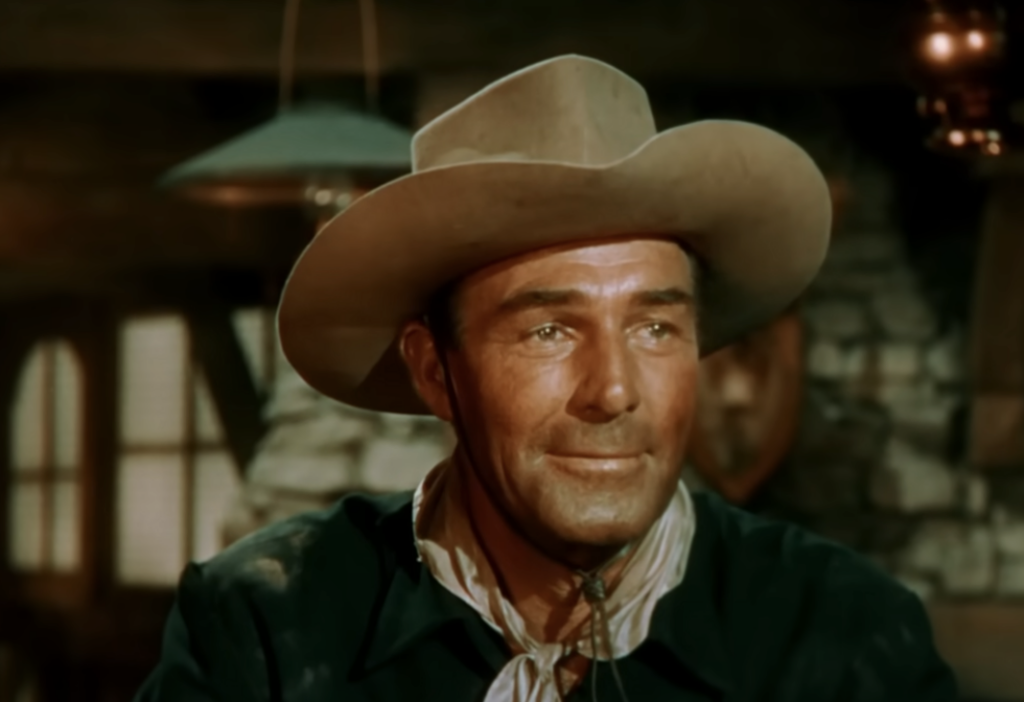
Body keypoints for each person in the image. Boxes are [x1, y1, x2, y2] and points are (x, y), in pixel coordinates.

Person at [136, 55, 958, 702]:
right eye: (549, 329)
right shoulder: (265, 623)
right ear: (433, 370)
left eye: (654, 327)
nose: (613, 390)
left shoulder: (844, 630)